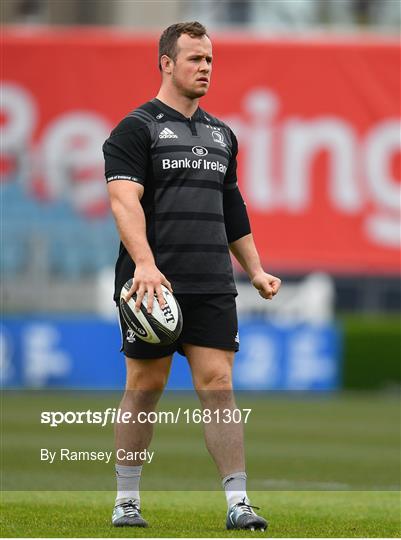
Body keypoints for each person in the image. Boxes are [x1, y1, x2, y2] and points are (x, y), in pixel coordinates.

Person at [103, 21, 281, 531]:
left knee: (219, 385)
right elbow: (123, 201)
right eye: (195, 59)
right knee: (145, 384)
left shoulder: (222, 134)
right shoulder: (134, 129)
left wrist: (257, 271)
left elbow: (234, 210)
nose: (205, 68)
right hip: (152, 285)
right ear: (166, 62)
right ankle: (127, 499)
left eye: (210, 60)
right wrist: (144, 263)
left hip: (211, 282)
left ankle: (238, 502)